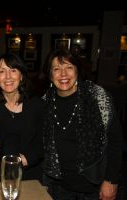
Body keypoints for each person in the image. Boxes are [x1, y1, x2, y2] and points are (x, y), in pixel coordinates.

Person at [42, 49, 123, 200]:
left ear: (77, 71)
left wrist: (111, 180)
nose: (63, 74)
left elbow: (116, 143)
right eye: (57, 69)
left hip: (95, 188)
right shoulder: (44, 103)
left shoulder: (99, 97)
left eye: (69, 67)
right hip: (59, 188)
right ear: (50, 75)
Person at [0, 53, 44, 182]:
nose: (8, 77)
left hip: (30, 175)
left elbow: (45, 139)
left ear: (21, 76)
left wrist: (26, 159)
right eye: (2, 71)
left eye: (13, 70)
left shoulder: (37, 104)